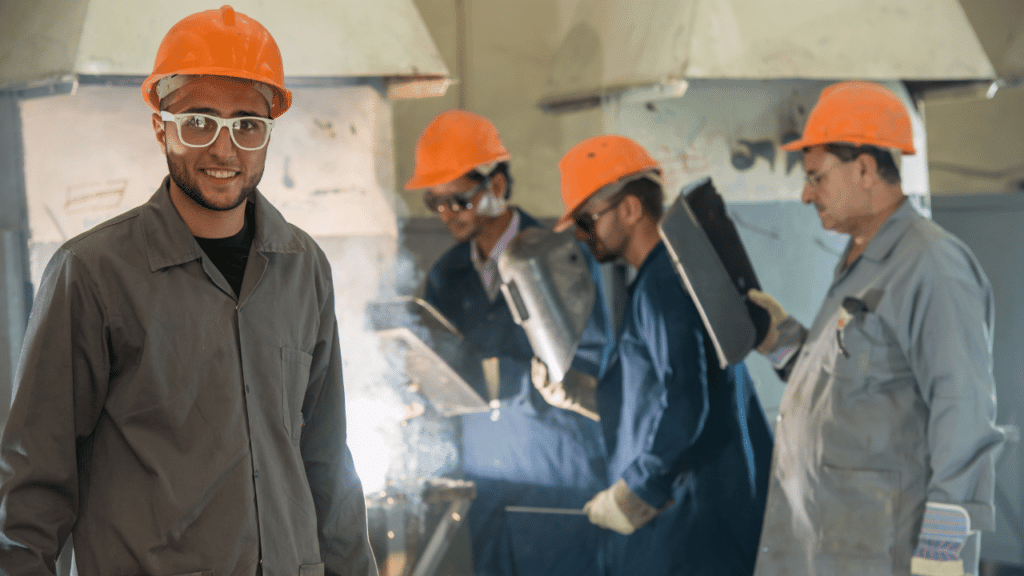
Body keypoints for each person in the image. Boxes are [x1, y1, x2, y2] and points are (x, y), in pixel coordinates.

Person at [0, 7, 377, 576]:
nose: (225, 150)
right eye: (199, 121)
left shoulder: (304, 268)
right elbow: (34, 485)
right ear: (161, 127)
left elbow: (327, 464)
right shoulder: (92, 273)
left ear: (269, 132)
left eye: (247, 125)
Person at [748, 81, 1005, 576]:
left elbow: (964, 408)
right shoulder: (859, 260)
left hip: (881, 552)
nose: (805, 194)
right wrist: (780, 340)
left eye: (817, 178)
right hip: (828, 544)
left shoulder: (932, 265)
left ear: (864, 169)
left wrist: (942, 550)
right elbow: (847, 383)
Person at [549, 134, 774, 576]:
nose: (582, 236)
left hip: (692, 524)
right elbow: (661, 393)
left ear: (630, 209)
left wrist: (639, 488)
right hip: (697, 516)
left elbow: (687, 403)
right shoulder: (670, 277)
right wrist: (583, 395)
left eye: (587, 221)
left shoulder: (662, 287)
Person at [404, 110, 613, 576]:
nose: (447, 215)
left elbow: (594, 366)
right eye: (435, 204)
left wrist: (502, 378)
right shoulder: (447, 275)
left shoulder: (559, 257)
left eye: (458, 201)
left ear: (496, 186)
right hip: (484, 479)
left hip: (556, 474)